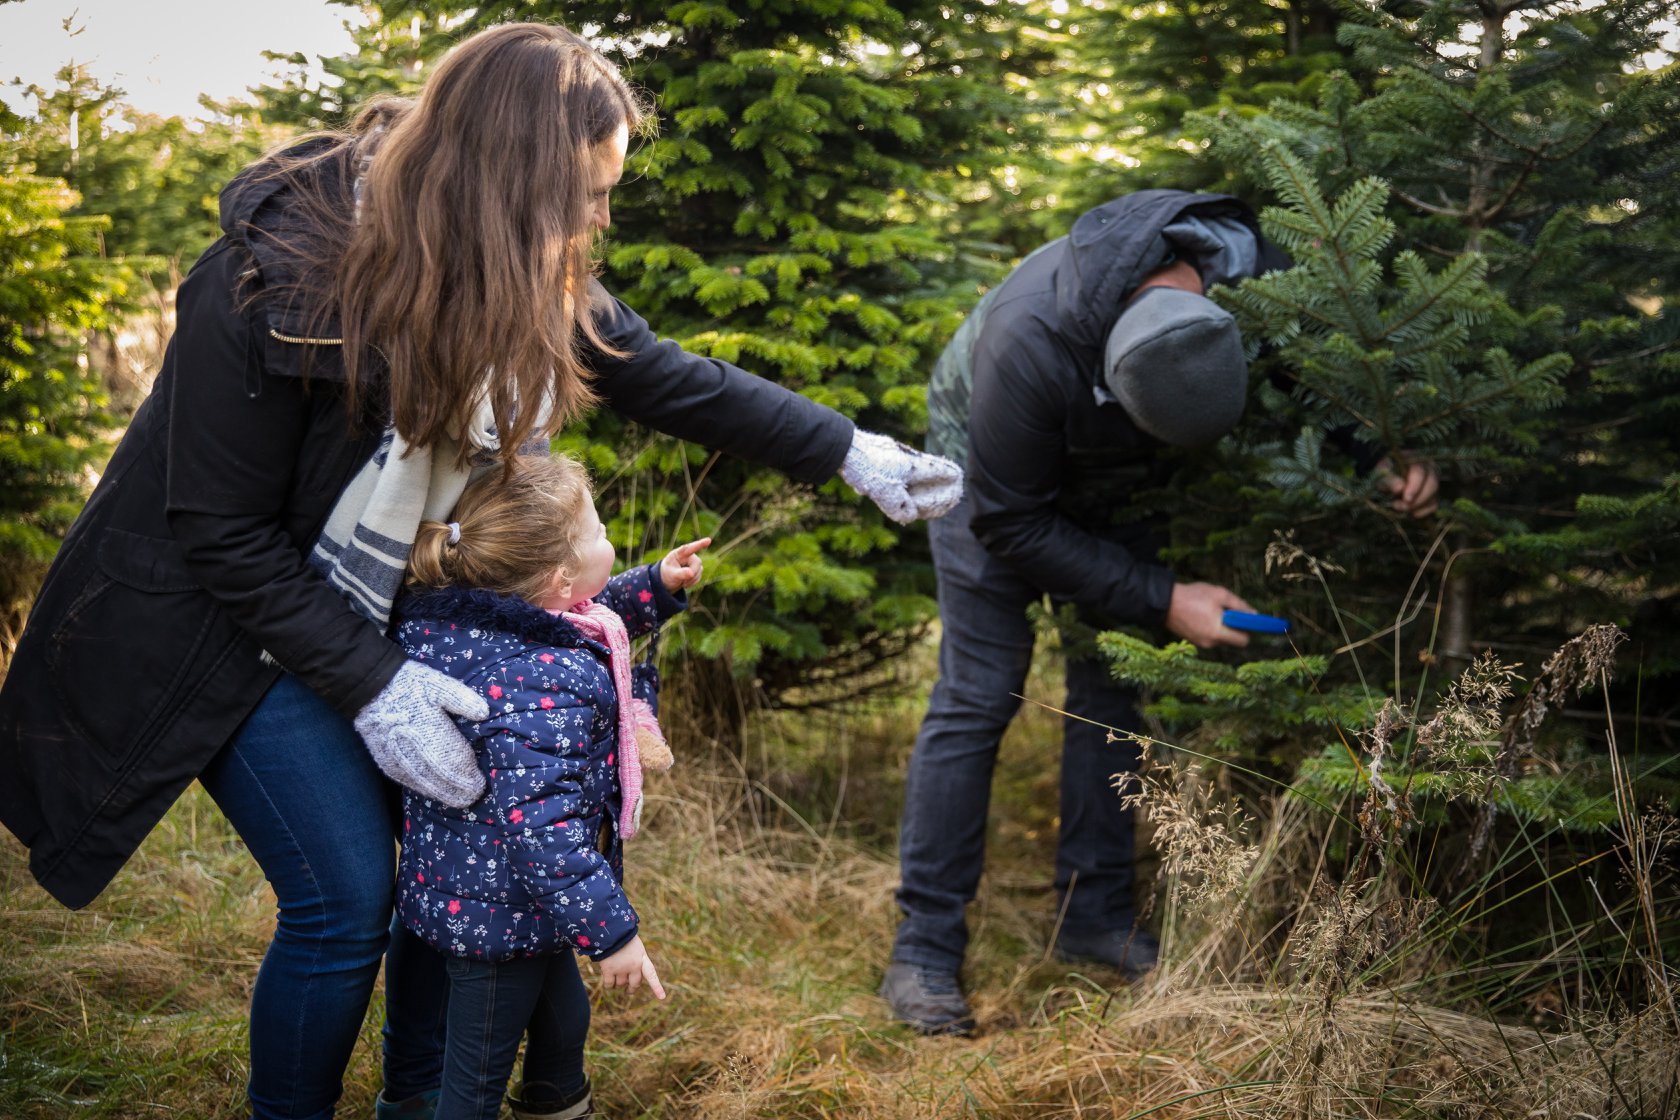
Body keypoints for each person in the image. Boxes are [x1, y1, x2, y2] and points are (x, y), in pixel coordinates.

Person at [0, 22, 961, 1120]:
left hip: (384, 613)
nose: (600, 220)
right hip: (231, 628)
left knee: (433, 872)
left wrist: (850, 451)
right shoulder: (265, 287)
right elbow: (220, 535)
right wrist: (380, 685)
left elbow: (669, 377)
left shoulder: (516, 276)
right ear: (511, 182)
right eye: (586, 194)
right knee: (344, 897)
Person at [879, 188, 1439, 1036]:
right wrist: (1165, 597)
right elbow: (1011, 520)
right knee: (980, 691)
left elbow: (1308, 366)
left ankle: (1095, 915)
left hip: (1121, 480)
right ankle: (923, 950)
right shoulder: (1025, 343)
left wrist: (1375, 451)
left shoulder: (1251, 282)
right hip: (980, 473)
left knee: (1113, 686)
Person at [393, 454, 697, 1120]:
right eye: (597, 535)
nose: (608, 541)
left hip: (494, 896)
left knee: (564, 1024)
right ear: (561, 578)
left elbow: (592, 614)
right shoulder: (543, 682)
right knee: (475, 1078)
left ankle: (558, 1105)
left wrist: (655, 586)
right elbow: (543, 830)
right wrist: (613, 934)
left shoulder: (474, 625)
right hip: (501, 915)